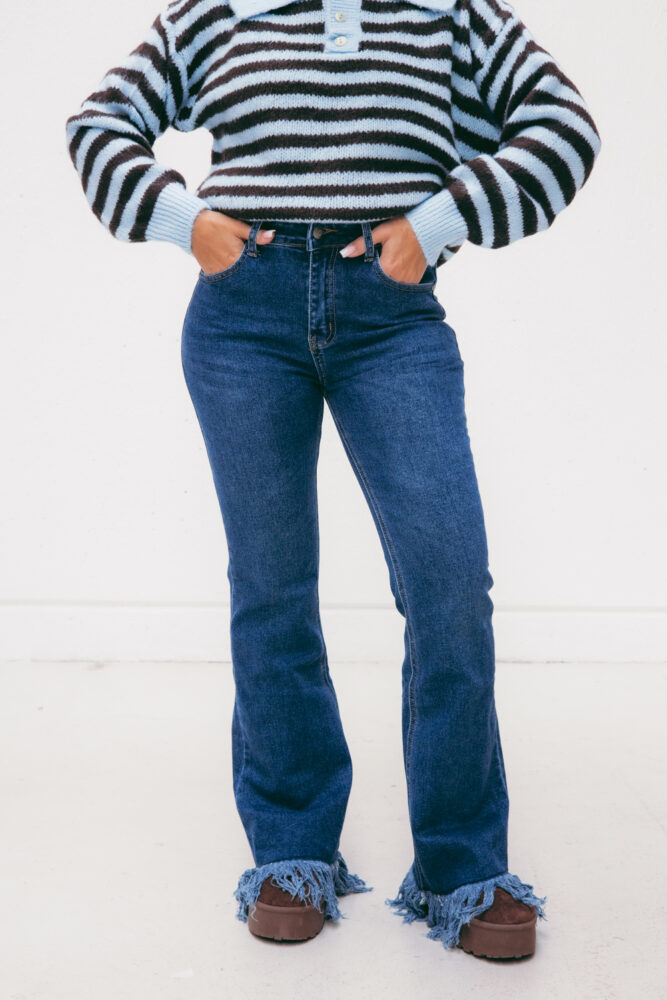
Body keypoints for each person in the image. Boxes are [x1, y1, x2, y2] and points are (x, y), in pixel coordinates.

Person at [65, 0, 601, 959]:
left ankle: (462, 865)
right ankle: (291, 851)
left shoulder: (448, 14)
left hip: (391, 322)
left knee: (447, 585)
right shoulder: (222, 10)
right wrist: (189, 223)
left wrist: (438, 219)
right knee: (271, 587)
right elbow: (98, 123)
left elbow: (564, 127)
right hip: (242, 320)